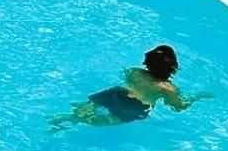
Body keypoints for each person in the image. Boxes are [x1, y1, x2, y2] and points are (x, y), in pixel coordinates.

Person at [53, 44, 207, 129]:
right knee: (105, 121)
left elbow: (125, 77)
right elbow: (178, 107)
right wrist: (196, 98)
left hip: (118, 93)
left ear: (146, 62)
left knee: (84, 110)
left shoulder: (135, 72)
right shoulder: (167, 88)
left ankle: (66, 119)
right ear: (172, 67)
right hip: (136, 106)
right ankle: (70, 127)